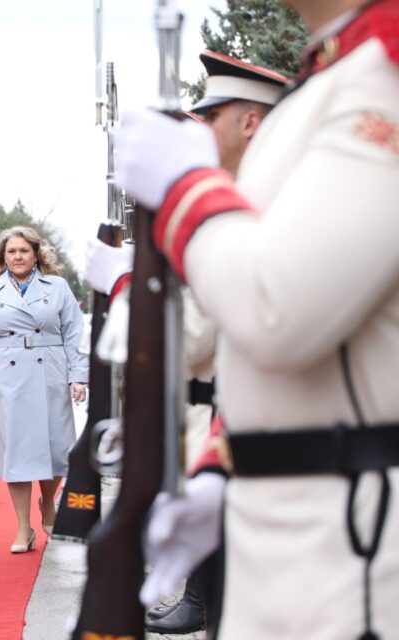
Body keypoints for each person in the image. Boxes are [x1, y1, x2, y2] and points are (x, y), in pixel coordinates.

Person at [112, 1, 399, 637]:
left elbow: (278, 307)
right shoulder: (328, 86)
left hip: (346, 540)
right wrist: (226, 462)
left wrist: (185, 187)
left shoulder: (383, 79)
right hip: (285, 527)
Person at [84, 51, 289, 635]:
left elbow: (199, 335)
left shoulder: (241, 208)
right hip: (213, 421)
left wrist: (129, 284)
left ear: (250, 122)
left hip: (234, 419)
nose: (200, 128)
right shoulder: (238, 198)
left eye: (213, 114)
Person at [0, 227, 85, 553]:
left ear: (36, 254)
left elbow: (75, 334)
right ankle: (22, 527)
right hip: (6, 377)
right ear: (2, 257)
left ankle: (48, 504)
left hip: (50, 372)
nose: (17, 257)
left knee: (56, 447)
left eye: (24, 251)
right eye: (11, 252)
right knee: (15, 453)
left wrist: (79, 376)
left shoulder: (57, 287)